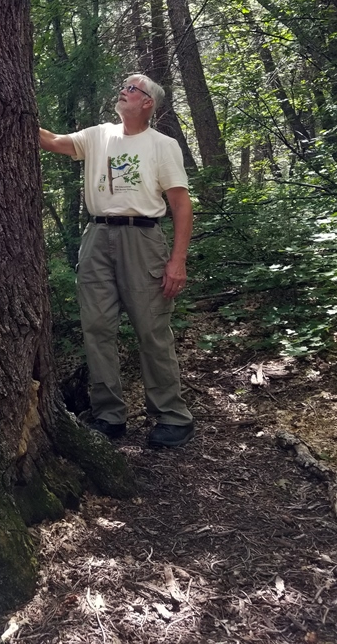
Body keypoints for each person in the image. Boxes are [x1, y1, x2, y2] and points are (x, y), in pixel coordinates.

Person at [40, 74, 195, 448]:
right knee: (96, 327)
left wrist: (177, 261)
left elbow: (180, 203)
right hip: (96, 237)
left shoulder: (163, 145)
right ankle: (109, 416)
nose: (123, 90)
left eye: (133, 88)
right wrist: (14, 108)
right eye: (124, 85)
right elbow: (50, 141)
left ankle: (172, 416)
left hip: (142, 237)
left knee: (151, 330)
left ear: (147, 103)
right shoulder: (97, 135)